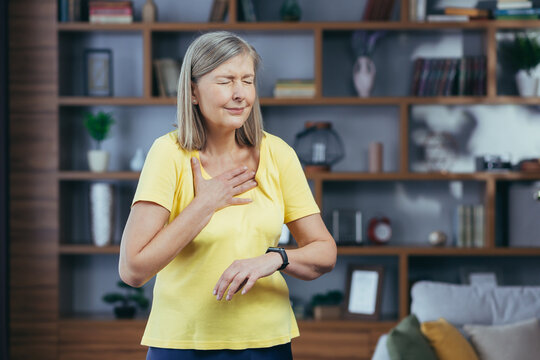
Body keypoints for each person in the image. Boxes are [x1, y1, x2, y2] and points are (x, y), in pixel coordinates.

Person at [119, 31, 337, 360]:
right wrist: (204, 205)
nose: (240, 94)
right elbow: (132, 269)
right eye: (225, 81)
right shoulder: (169, 154)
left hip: (267, 343)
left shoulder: (278, 153)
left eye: (247, 81)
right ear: (193, 91)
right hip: (183, 344)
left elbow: (324, 252)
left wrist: (274, 259)